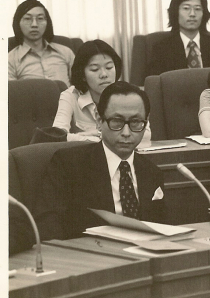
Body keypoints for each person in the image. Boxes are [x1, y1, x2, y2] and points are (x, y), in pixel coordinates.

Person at [35, 82, 167, 241]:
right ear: (99, 119)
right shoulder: (68, 164)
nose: (126, 133)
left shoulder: (151, 171)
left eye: (136, 123)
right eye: (117, 122)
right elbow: (48, 226)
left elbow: (161, 227)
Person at [52, 40, 151, 142]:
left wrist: (97, 134)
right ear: (82, 75)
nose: (104, 74)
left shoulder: (130, 95)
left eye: (109, 67)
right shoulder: (70, 95)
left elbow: (146, 135)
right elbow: (57, 136)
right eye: (95, 69)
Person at [147, 0, 210, 76]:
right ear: (175, 12)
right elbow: (154, 84)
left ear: (204, 14)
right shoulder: (161, 48)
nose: (192, 14)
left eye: (197, 9)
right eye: (186, 8)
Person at [8, 0, 75, 86]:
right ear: (18, 23)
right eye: (28, 19)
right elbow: (12, 95)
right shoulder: (10, 60)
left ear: (47, 23)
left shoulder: (66, 52)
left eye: (40, 18)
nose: (34, 24)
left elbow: (81, 86)